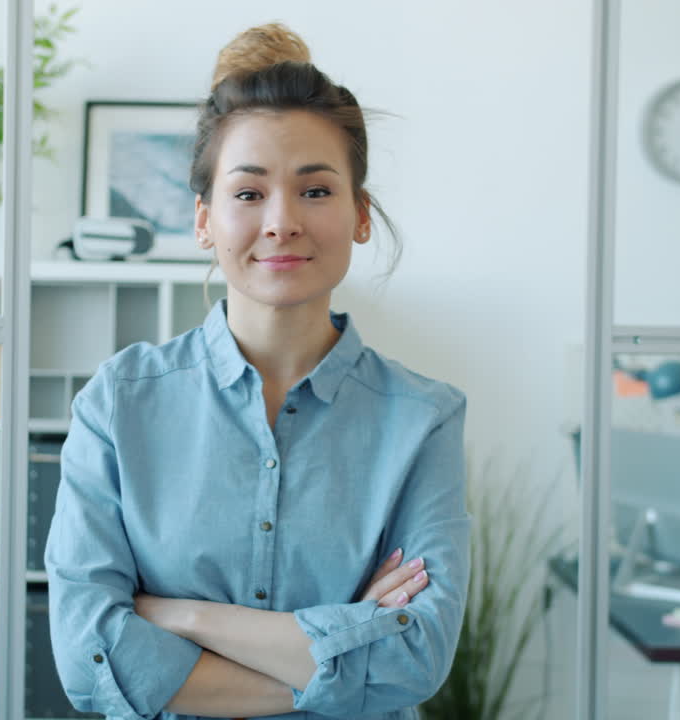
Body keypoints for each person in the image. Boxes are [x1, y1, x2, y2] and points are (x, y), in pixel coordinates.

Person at [45, 22, 470, 720]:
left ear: (360, 215)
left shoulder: (424, 418)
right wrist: (338, 660)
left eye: (315, 191)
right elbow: (88, 658)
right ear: (204, 220)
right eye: (248, 194)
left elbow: (415, 658)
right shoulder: (118, 402)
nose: (281, 222)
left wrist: (184, 619)